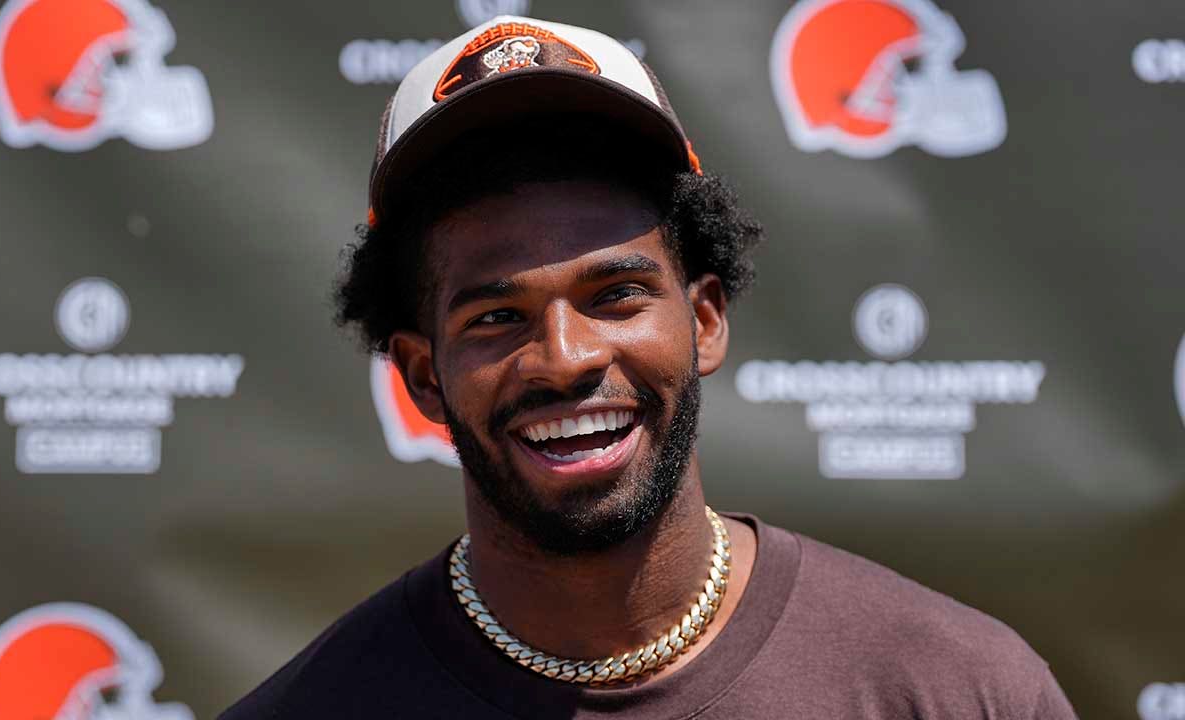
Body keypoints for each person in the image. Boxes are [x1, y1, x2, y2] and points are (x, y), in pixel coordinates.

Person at [220, 15, 1077, 720]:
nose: (566, 358)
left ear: (704, 319)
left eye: (617, 295)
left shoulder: (962, 690)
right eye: (496, 317)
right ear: (423, 376)